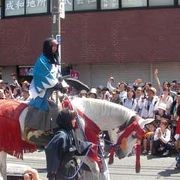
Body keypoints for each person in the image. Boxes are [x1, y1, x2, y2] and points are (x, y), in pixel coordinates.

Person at [45, 109, 91, 180]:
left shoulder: (69, 132)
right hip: (62, 174)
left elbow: (76, 146)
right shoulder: (61, 136)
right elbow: (51, 151)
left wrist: (90, 145)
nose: (75, 121)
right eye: (73, 119)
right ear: (67, 120)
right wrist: (52, 173)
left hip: (69, 172)